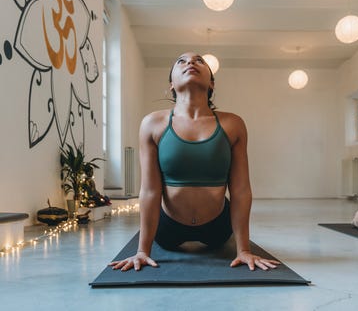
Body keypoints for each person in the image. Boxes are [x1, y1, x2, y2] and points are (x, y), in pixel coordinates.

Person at [109, 52, 280, 272]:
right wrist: (142, 251)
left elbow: (241, 190)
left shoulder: (233, 124)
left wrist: (243, 250)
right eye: (181, 61)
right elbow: (150, 190)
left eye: (199, 60)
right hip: (167, 228)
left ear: (212, 83)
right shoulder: (153, 123)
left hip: (218, 227)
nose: (190, 62)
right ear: (172, 84)